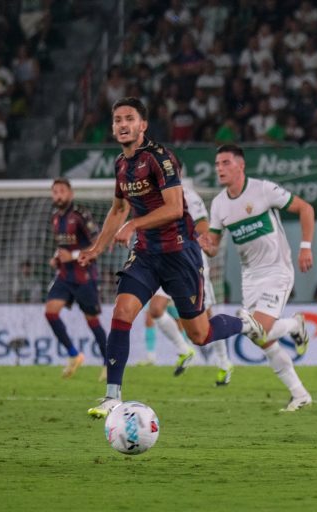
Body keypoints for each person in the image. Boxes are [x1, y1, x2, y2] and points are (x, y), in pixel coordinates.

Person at [80, 97, 265, 419]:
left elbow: (175, 208)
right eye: (118, 119)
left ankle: (245, 323)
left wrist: (134, 225)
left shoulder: (160, 158)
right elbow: (119, 208)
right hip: (146, 254)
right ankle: (112, 397)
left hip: (179, 254)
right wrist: (97, 247)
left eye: (129, 118)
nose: (123, 124)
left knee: (200, 335)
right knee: (122, 312)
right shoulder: (121, 164)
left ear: (143, 125)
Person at [200, 144, 314, 411]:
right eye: (217, 164)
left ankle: (294, 325)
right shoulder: (219, 204)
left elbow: (305, 208)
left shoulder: (263, 189)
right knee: (260, 337)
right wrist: (207, 246)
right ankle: (300, 394)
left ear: (241, 165)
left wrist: (305, 247)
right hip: (250, 276)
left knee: (259, 328)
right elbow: (214, 246)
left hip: (277, 269)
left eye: (225, 163)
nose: (219, 168)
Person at [144, 180, 234, 385]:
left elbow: (203, 226)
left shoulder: (189, 196)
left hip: (192, 263)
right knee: (155, 309)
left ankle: (224, 362)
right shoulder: (153, 197)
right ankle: (184, 350)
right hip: (167, 262)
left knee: (207, 316)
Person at [45, 178, 107, 379]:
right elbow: (63, 246)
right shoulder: (55, 217)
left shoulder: (81, 215)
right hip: (65, 275)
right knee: (50, 312)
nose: (58, 195)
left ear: (70, 194)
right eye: (55, 192)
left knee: (92, 320)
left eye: (62, 191)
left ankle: (109, 362)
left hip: (84, 275)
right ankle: (73, 355)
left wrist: (72, 256)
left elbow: (97, 243)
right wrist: (57, 257)